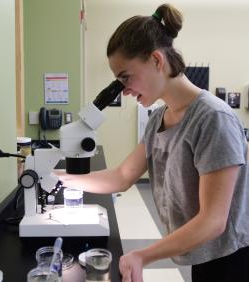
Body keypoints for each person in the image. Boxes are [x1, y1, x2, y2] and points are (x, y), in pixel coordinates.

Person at [55, 3, 249, 282]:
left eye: (126, 77)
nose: (124, 89)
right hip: (204, 252)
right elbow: (123, 176)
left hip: (232, 257)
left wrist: (142, 255)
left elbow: (213, 221)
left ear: (157, 61)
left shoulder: (212, 118)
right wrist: (60, 178)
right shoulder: (159, 117)